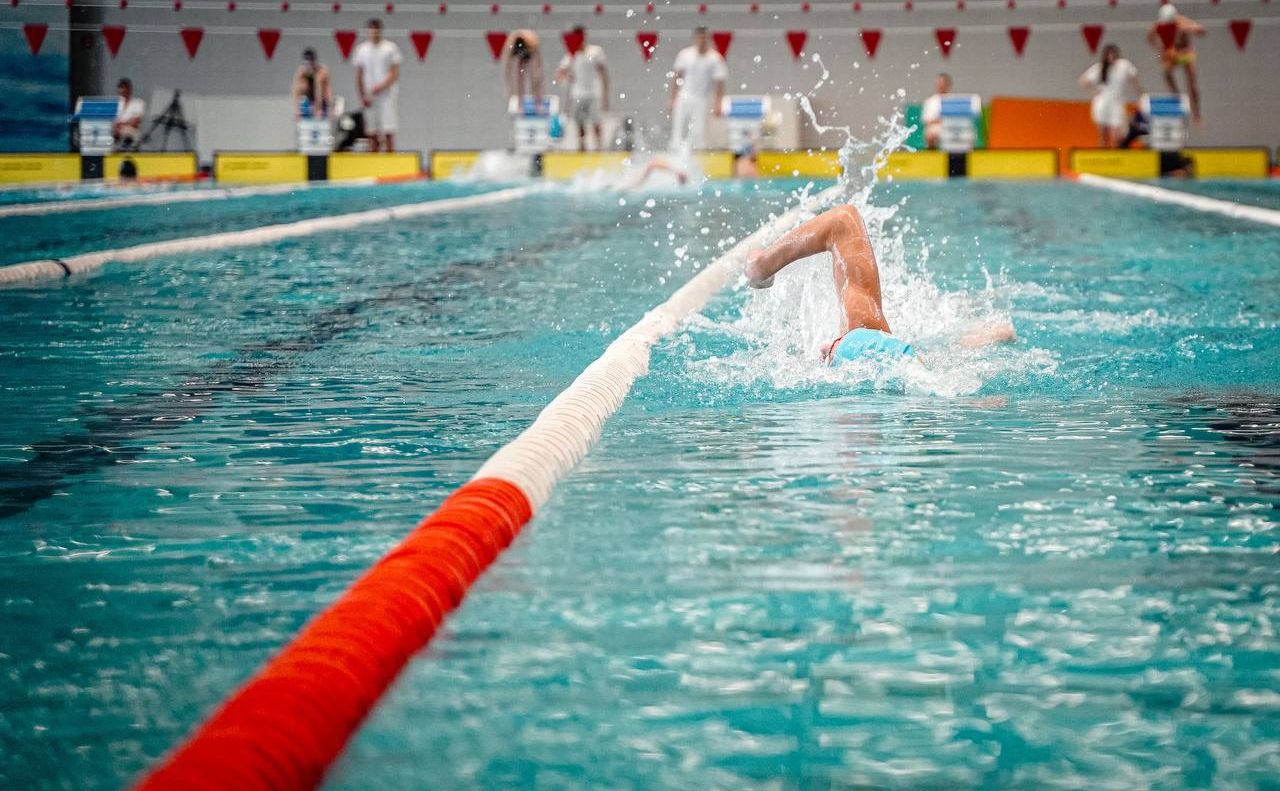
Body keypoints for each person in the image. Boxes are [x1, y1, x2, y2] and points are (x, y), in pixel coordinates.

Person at [744, 205, 1016, 365]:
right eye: (834, 346)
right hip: (901, 363)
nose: (824, 347)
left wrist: (760, 268)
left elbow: (841, 220)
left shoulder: (865, 323)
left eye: (837, 347)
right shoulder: (917, 370)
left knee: (846, 219)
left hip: (874, 345)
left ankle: (761, 266)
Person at [668, 27, 727, 152]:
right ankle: (675, 153)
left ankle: (695, 155)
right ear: (695, 39)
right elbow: (677, 77)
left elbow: (719, 84)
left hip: (701, 99)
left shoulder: (715, 59)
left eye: (704, 38)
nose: (702, 41)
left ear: (708, 39)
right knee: (678, 129)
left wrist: (718, 103)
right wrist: (673, 98)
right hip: (684, 96)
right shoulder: (685, 55)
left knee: (697, 131)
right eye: (699, 38)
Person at [554, 26, 610, 151]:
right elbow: (560, 73)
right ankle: (582, 148)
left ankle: (599, 147)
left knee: (596, 121)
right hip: (577, 95)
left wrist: (605, 93)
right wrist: (567, 76)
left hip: (593, 93)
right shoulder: (571, 54)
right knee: (579, 123)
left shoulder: (595, 52)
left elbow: (603, 72)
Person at [1147, 4, 1205, 122]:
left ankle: (1197, 113)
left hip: (1185, 52)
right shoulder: (1159, 25)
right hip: (1172, 53)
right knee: (1166, 72)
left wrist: (1192, 28)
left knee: (1192, 82)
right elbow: (1149, 38)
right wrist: (1160, 50)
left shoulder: (1182, 22)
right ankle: (1176, 96)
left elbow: (1202, 31)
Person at [353, 18, 402, 151]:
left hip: (387, 94)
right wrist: (362, 95)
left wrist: (381, 86)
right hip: (369, 95)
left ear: (380, 31)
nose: (373, 33)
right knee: (371, 131)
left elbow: (394, 72)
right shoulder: (361, 50)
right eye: (371, 30)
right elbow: (359, 75)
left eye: (376, 30)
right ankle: (373, 160)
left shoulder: (390, 48)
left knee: (388, 129)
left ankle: (390, 159)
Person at [1079, 45, 1141, 148]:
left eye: (1113, 54)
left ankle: (1115, 158)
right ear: (1105, 56)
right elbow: (1083, 81)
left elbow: (1135, 80)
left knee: (1116, 134)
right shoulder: (1099, 68)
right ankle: (1103, 160)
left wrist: (1140, 95)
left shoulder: (1124, 65)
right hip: (1102, 103)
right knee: (1103, 134)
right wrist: (1094, 93)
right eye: (1109, 54)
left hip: (1117, 103)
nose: (1111, 57)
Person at [503, 30, 545, 106]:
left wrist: (538, 74)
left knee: (535, 77)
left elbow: (538, 63)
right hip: (522, 49)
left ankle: (538, 102)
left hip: (531, 51)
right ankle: (520, 102)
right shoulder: (511, 45)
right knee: (519, 78)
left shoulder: (532, 42)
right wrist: (508, 85)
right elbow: (508, 66)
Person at [292, 47, 333, 119]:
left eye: (311, 63)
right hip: (309, 100)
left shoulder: (322, 71)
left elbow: (325, 91)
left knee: (319, 81)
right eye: (307, 64)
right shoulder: (301, 71)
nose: (309, 66)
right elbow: (296, 91)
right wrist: (296, 109)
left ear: (314, 62)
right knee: (302, 84)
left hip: (322, 101)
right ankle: (311, 106)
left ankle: (320, 108)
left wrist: (321, 109)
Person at [112, 78, 145, 150]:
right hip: (115, 134)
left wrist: (120, 124)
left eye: (124, 87)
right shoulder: (115, 104)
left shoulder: (138, 103)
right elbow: (112, 122)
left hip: (131, 135)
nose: (122, 90)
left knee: (127, 133)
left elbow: (135, 123)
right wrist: (120, 124)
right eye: (121, 88)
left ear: (130, 89)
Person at [920, 73, 950, 150]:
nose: (941, 85)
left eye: (943, 83)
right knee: (929, 132)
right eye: (939, 83)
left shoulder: (953, 100)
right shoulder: (930, 101)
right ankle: (932, 154)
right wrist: (940, 120)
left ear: (948, 84)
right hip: (936, 127)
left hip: (952, 127)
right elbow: (927, 120)